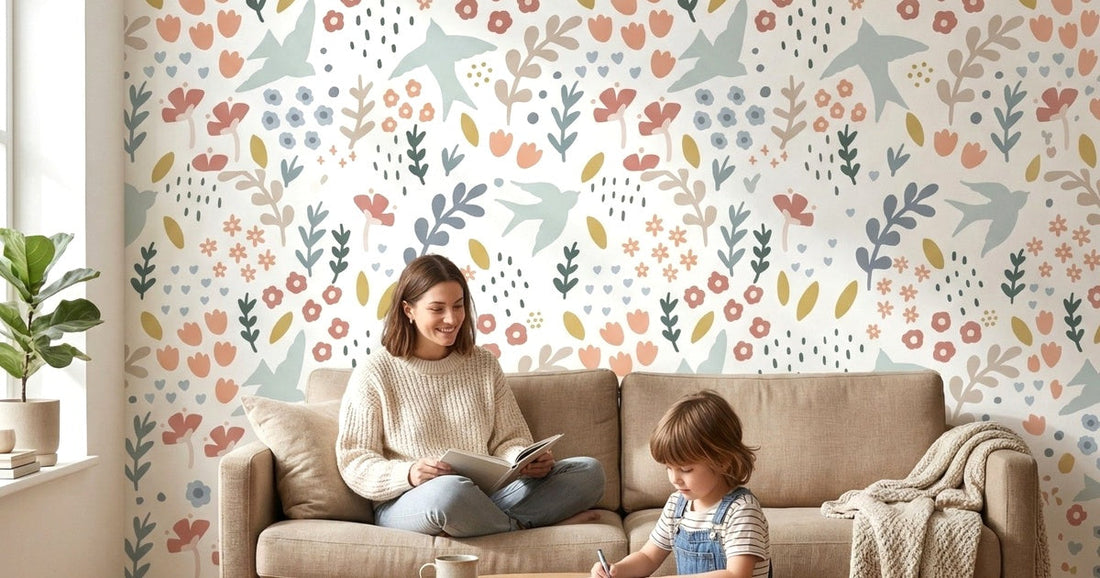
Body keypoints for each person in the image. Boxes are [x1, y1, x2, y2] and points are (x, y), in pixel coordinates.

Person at [336, 253, 605, 537]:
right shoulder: (376, 370)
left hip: (483, 498)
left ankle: (478, 526)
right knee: (448, 492)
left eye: (458, 305)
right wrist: (408, 473)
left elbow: (510, 439)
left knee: (588, 472)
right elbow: (354, 459)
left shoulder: (483, 363)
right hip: (415, 501)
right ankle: (519, 529)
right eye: (437, 309)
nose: (451, 319)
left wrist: (523, 461)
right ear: (408, 310)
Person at [592, 390, 770, 578]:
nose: (674, 479)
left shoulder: (742, 511)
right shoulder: (677, 505)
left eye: (685, 469)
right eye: (668, 468)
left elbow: (737, 575)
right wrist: (617, 570)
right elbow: (648, 557)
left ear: (721, 460)